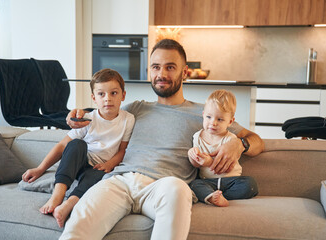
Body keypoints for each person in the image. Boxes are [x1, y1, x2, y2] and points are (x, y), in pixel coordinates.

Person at [61, 39, 265, 240]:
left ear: (184, 72)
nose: (161, 74)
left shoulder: (205, 115)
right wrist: (77, 114)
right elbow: (100, 115)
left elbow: (256, 140)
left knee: (178, 189)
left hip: (165, 185)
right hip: (120, 181)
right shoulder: (136, 109)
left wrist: (239, 144)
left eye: (170, 67)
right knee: (79, 224)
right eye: (156, 67)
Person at [22, 69, 135, 228]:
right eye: (101, 94)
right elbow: (62, 145)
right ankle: (58, 195)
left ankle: (68, 204)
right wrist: (40, 169)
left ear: (123, 95)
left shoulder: (128, 119)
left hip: (99, 167)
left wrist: (110, 164)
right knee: (76, 144)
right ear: (93, 98)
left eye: (114, 93)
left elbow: (123, 150)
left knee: (100, 176)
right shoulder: (88, 119)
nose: (108, 99)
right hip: (80, 162)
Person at [188, 89, 258, 207]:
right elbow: (196, 164)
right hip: (208, 181)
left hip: (231, 180)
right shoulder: (197, 137)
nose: (213, 123)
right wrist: (192, 155)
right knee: (194, 185)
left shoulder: (231, 139)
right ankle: (212, 196)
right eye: (209, 117)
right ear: (203, 115)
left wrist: (209, 162)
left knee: (250, 184)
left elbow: (225, 166)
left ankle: (217, 196)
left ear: (230, 121)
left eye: (220, 119)